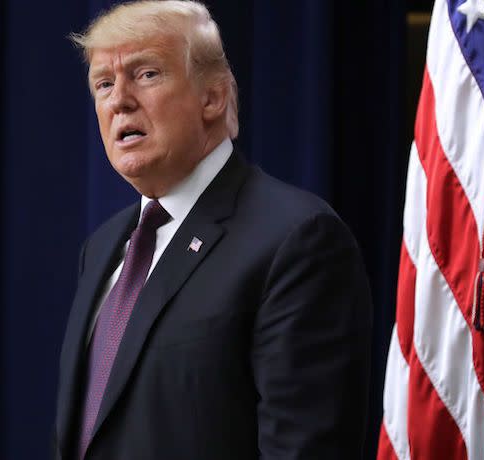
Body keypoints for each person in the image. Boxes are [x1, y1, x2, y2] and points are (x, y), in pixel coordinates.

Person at [53, 1, 372, 458]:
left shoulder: (297, 240)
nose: (118, 99)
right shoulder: (101, 247)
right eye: (104, 83)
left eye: (146, 74)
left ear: (212, 97)